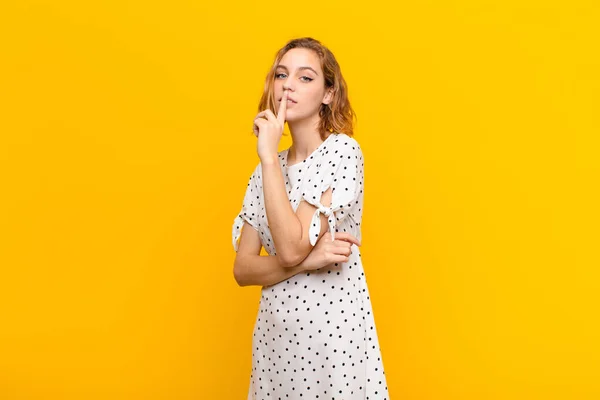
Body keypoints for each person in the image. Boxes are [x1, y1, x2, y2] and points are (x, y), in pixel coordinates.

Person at [232, 37, 389, 399]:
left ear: (328, 94)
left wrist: (268, 157)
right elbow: (243, 269)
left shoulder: (341, 151)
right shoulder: (264, 173)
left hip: (331, 338)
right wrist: (307, 263)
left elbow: (289, 248)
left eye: (305, 77)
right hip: (276, 341)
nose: (288, 85)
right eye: (281, 75)